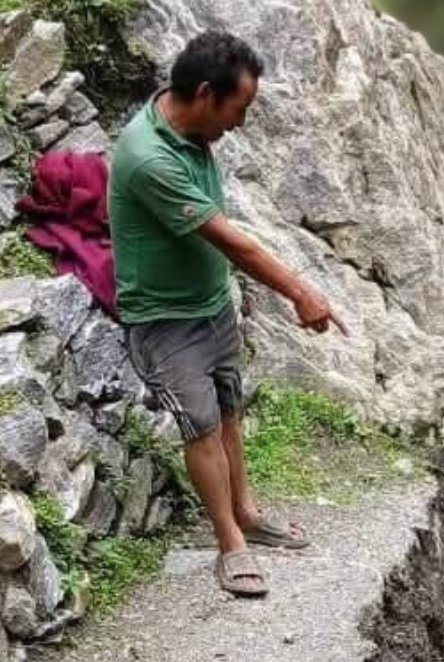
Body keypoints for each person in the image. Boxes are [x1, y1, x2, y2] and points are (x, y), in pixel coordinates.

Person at [110, 31, 349, 597]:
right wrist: (301, 292)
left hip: (211, 301)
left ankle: (245, 510)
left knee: (228, 409)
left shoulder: (192, 127)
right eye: (238, 108)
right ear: (203, 93)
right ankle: (229, 545)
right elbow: (232, 242)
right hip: (165, 318)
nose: (241, 122)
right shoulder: (147, 157)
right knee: (202, 425)